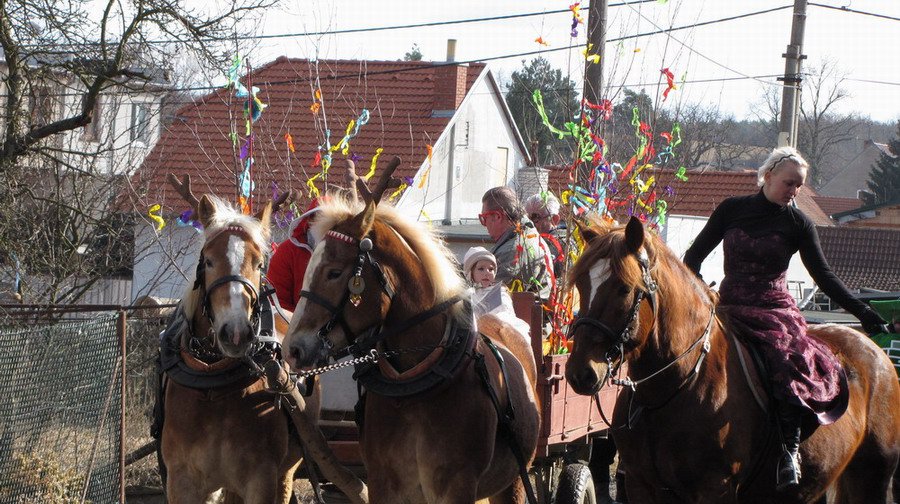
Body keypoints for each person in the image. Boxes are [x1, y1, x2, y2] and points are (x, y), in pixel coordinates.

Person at [682, 146, 890, 491]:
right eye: (789, 183)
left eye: (799, 186)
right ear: (768, 176)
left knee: (786, 359)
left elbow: (824, 276)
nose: (794, 191)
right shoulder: (731, 209)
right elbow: (693, 258)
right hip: (729, 305)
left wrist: (864, 312)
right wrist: (701, 295)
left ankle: (788, 453)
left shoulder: (797, 222)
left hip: (774, 310)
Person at [480, 187, 553, 300]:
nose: (484, 225)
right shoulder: (527, 235)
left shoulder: (513, 250)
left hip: (522, 316)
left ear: (497, 216)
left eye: (484, 218)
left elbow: (488, 299)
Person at [462, 246, 530, 339]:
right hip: (474, 336)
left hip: (500, 333)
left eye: (491, 269)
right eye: (481, 269)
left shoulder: (500, 293)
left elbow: (505, 315)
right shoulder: (466, 294)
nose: (487, 273)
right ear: (470, 272)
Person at [267, 199, 322, 312]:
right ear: (310, 220)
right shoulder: (287, 251)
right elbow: (277, 301)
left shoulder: (348, 252)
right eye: (320, 219)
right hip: (295, 324)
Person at [524, 191, 572, 279]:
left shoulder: (557, 242)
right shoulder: (528, 239)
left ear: (554, 219)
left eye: (535, 217)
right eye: (526, 218)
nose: (529, 223)